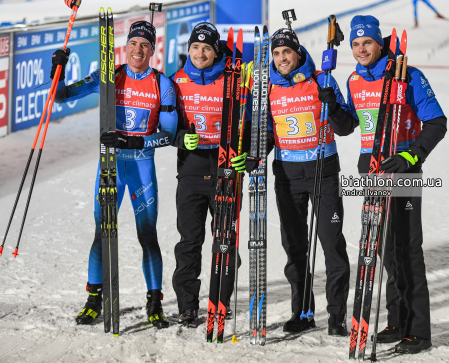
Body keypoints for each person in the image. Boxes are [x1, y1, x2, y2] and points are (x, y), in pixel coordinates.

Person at [52, 20, 178, 329]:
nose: (138, 50)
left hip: (141, 166)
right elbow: (62, 95)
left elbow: (169, 135)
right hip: (110, 166)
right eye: (134, 44)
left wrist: (135, 140)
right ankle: (95, 298)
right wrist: (58, 68)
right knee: (102, 232)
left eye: (145, 45)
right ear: (126, 46)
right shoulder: (110, 77)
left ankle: (154, 302)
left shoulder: (162, 84)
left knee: (147, 235)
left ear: (153, 49)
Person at [342, 15, 447, 353]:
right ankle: (397, 319)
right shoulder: (354, 81)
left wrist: (411, 157)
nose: (361, 49)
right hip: (372, 174)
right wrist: (332, 108)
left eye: (367, 43)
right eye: (356, 45)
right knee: (384, 249)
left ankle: (419, 331)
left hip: (403, 174)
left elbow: (437, 123)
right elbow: (351, 125)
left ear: (379, 43)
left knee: (407, 248)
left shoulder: (408, 75)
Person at [267, 28, 356, 335]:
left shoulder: (322, 80)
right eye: (276, 54)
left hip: (323, 173)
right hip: (287, 176)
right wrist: (254, 155)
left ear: (298, 53)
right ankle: (302, 311)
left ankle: (337, 317)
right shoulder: (268, 88)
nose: (281, 59)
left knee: (331, 245)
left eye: (286, 52)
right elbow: (267, 133)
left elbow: (346, 128)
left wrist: (330, 104)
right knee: (294, 247)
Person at [170, 22, 249, 327]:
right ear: (188, 49)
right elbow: (166, 125)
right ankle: (188, 306)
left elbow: (252, 118)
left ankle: (221, 299)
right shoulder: (175, 81)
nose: (200, 53)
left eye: (206, 48)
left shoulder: (234, 80)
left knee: (225, 238)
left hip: (224, 168)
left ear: (216, 53)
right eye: (195, 47)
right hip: (190, 171)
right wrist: (179, 138)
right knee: (189, 241)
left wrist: (247, 154)